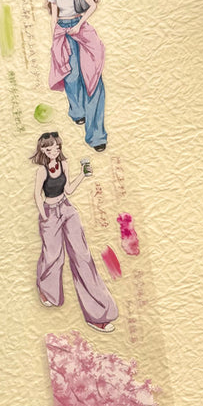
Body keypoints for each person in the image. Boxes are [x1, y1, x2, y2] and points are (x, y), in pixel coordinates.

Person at [32, 132, 117, 332]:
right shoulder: (42, 171)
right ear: (42, 150)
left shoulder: (64, 164)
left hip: (67, 208)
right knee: (53, 256)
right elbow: (37, 194)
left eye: (57, 147)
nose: (54, 151)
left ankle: (98, 314)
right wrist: (44, 215)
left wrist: (82, 175)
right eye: (49, 148)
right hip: (49, 212)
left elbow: (68, 190)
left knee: (82, 256)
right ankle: (47, 291)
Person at [44, 0, 109, 152]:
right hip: (62, 32)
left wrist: (79, 25)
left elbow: (92, 6)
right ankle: (78, 111)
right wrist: (55, 38)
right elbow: (54, 17)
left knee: (93, 79)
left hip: (81, 30)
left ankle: (97, 136)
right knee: (71, 76)